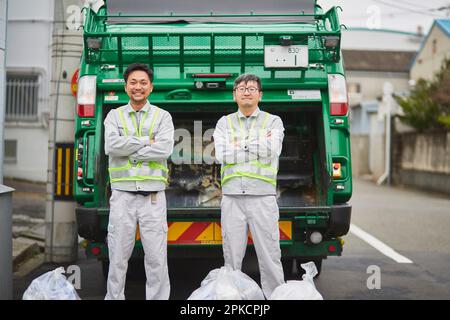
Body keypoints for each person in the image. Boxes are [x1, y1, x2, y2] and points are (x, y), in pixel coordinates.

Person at [103, 63, 174, 300]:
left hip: (152, 198)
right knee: (118, 258)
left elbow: (163, 149)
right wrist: (147, 142)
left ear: (151, 87)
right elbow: (111, 146)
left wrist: (129, 146)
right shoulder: (114, 115)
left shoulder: (163, 116)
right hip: (122, 196)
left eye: (143, 83)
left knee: (156, 259)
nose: (138, 87)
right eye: (133, 82)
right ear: (126, 87)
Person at [213, 73, 285, 298]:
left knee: (270, 255)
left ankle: (275, 296)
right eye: (242, 88)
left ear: (260, 95)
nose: (246, 92)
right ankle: (232, 299)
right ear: (234, 94)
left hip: (262, 197)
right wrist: (255, 144)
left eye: (252, 88)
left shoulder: (273, 121)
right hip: (232, 196)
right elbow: (222, 154)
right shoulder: (224, 122)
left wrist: (238, 144)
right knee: (231, 258)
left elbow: (271, 149)